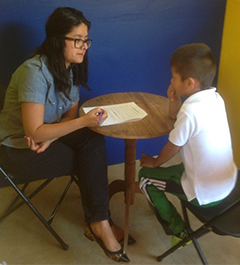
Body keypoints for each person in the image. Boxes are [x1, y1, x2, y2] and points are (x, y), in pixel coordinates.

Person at [0, 7, 130, 263]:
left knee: (92, 140)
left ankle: (99, 221)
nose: (84, 46)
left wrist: (50, 136)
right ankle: (100, 223)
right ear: (58, 40)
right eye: (77, 40)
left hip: (43, 138)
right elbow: (33, 131)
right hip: (17, 148)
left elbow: (68, 118)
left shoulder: (71, 68)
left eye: (86, 40)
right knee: (89, 160)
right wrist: (66, 127)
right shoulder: (34, 72)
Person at [138, 43, 237, 247]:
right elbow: (176, 117)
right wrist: (174, 99)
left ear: (190, 83)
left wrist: (155, 163)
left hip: (205, 192)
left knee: (145, 178)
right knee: (171, 169)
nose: (171, 80)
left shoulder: (191, 111)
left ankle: (179, 231)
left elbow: (172, 146)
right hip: (229, 182)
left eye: (174, 77)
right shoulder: (215, 99)